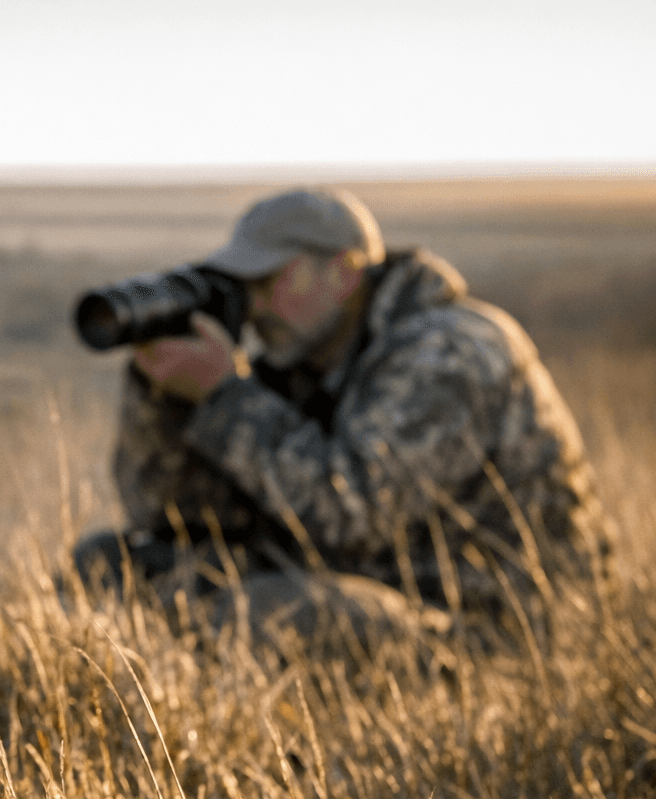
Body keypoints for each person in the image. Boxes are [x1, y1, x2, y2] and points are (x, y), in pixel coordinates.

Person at [73, 188, 609, 649]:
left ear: (345, 269)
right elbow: (180, 514)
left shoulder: (448, 353)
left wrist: (223, 396)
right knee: (110, 565)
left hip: (498, 625)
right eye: (244, 287)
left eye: (269, 281)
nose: (254, 305)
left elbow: (348, 516)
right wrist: (161, 393)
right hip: (369, 583)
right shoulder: (309, 356)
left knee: (265, 611)